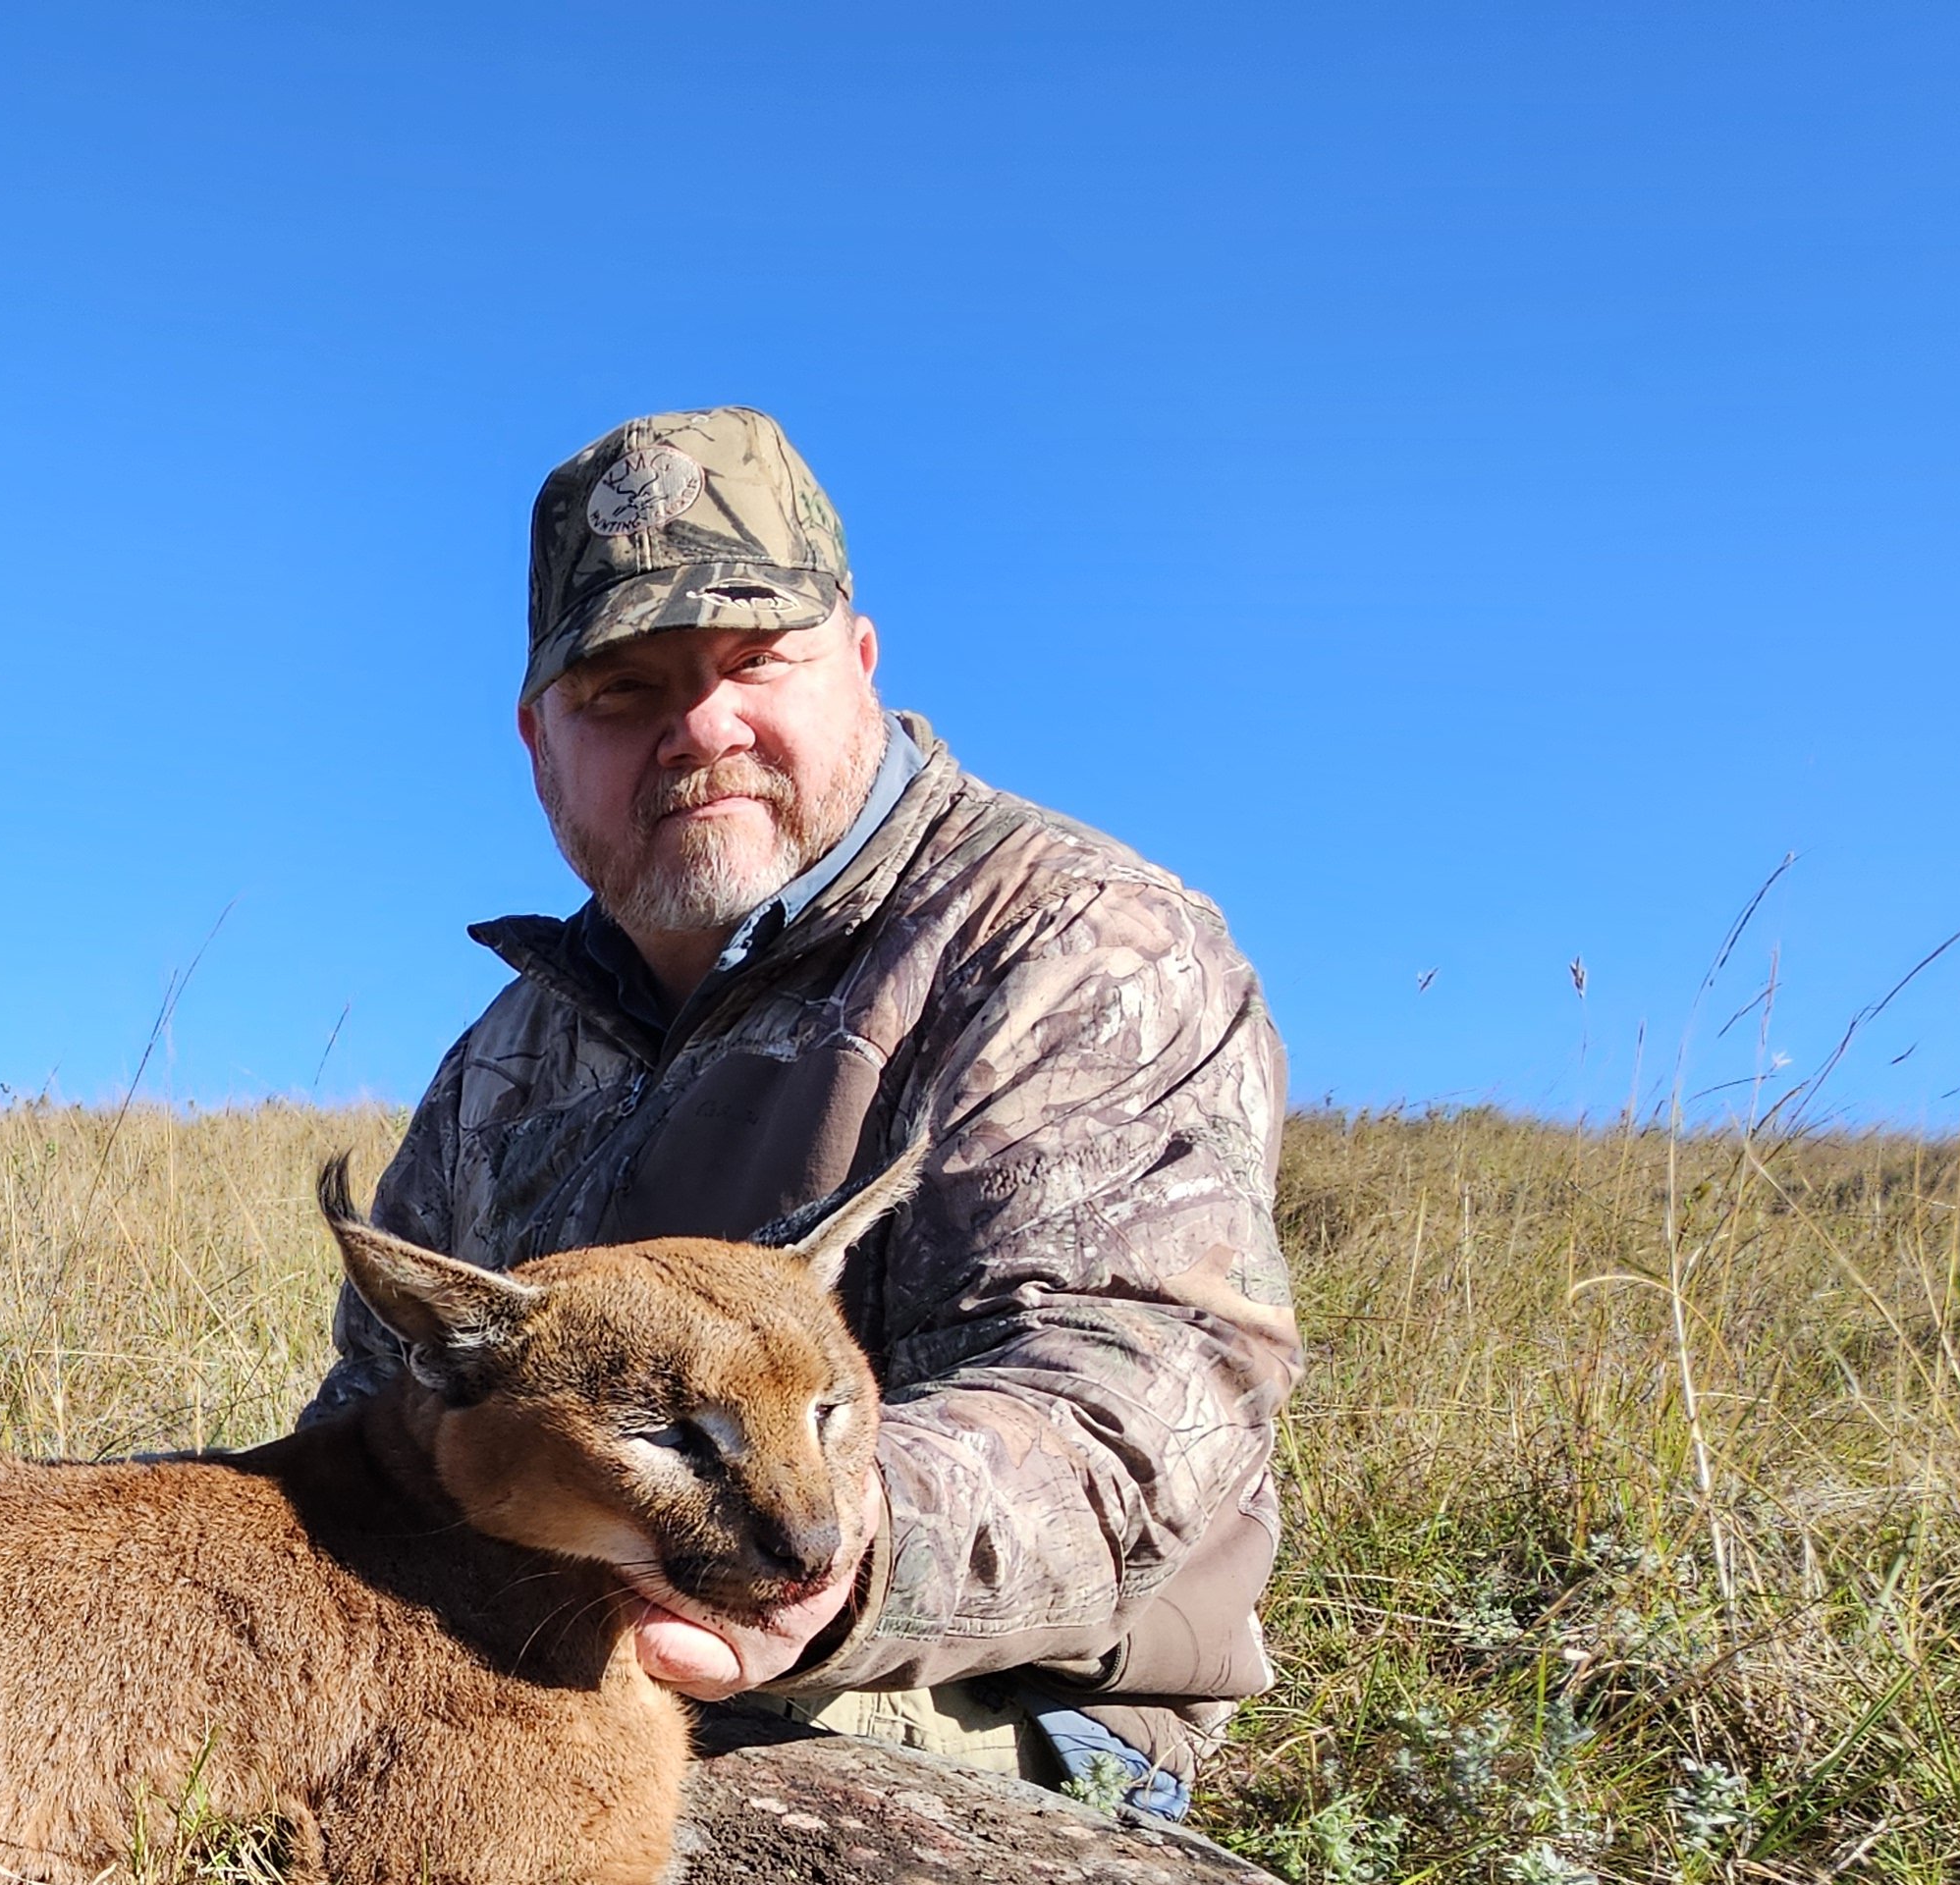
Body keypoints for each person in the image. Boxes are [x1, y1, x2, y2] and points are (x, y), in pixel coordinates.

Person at [308, 407, 1299, 1807]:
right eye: (622, 693)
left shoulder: (1075, 943)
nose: (701, 729)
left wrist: (831, 1560)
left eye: (755, 658)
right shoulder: (509, 1050)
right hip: (539, 1632)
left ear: (862, 663)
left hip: (949, 1693)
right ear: (540, 741)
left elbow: (1140, 1406)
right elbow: (376, 1410)